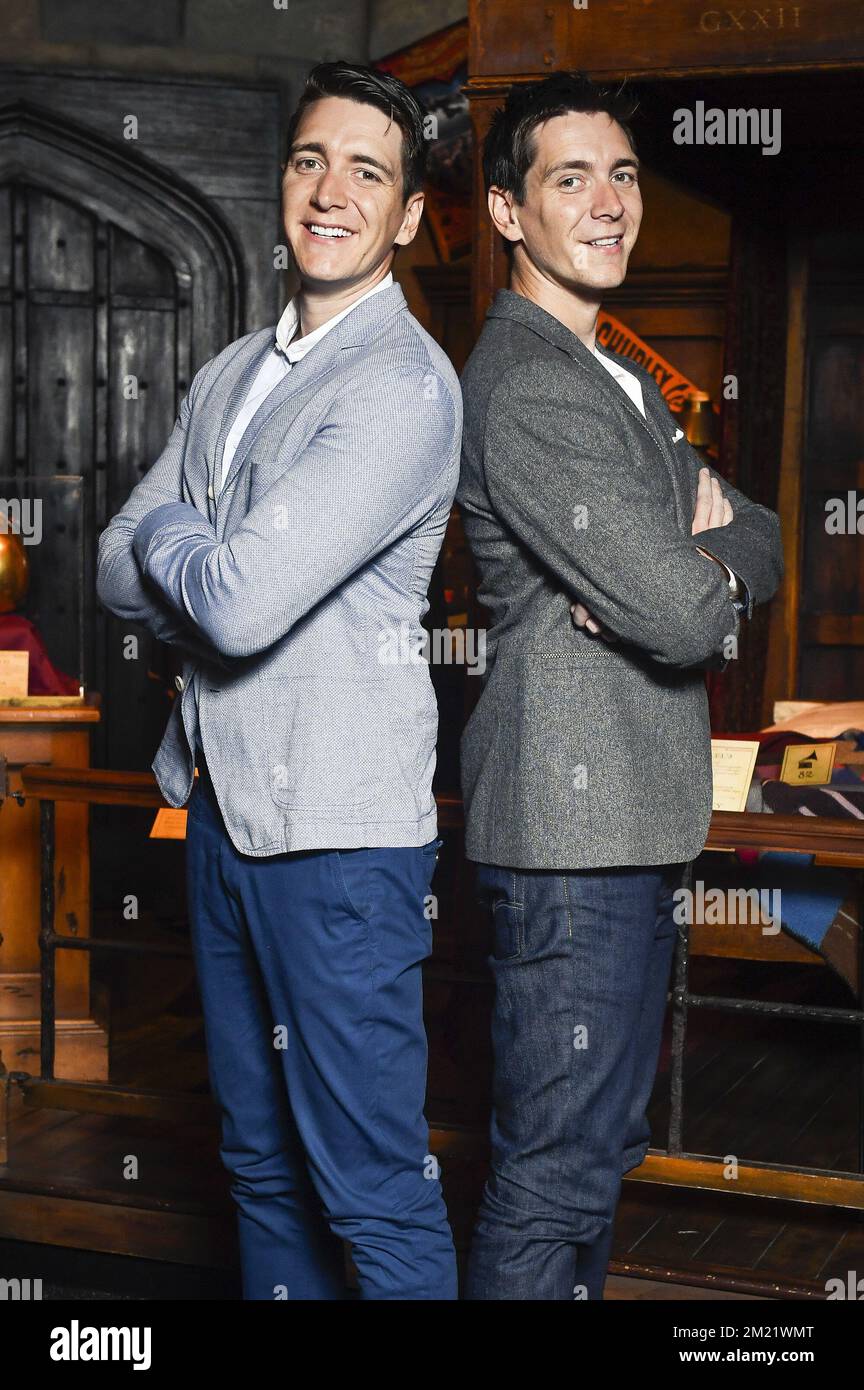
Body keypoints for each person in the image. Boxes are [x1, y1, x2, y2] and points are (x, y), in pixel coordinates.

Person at [96, 60, 461, 1301]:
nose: (333, 190)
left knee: (369, 1186)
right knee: (257, 1162)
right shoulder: (230, 373)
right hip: (217, 813)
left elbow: (238, 603)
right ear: (282, 183)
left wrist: (182, 537)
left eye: (370, 170)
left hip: (341, 847)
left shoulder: (404, 384)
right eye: (313, 160)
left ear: (409, 215)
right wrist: (195, 550)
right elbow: (109, 566)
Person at [456, 71, 783, 1301]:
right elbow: (689, 613)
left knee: (593, 1161)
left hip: (629, 830)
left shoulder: (624, 380)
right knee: (555, 1175)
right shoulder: (533, 381)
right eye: (569, 178)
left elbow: (758, 538)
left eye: (625, 173)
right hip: (571, 838)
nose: (610, 203)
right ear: (505, 212)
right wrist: (685, 569)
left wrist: (694, 554)